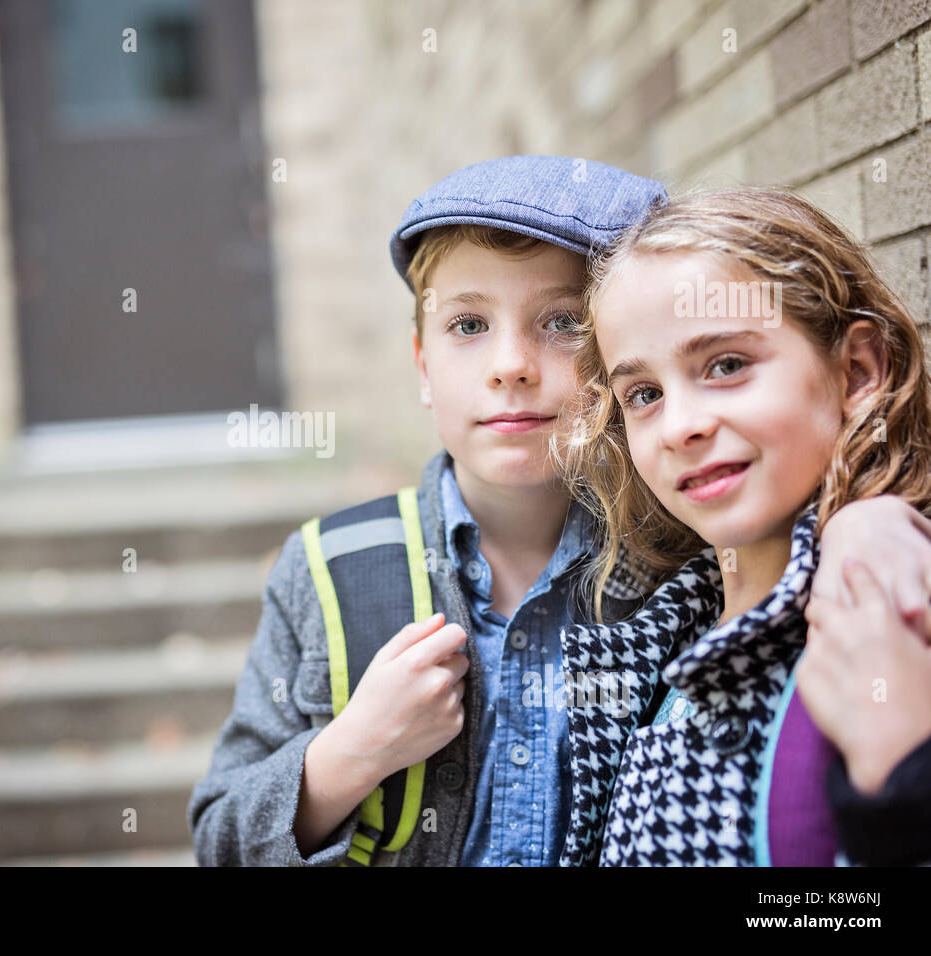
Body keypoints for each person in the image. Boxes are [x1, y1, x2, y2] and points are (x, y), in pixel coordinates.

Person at [187, 159, 931, 866]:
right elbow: (220, 836)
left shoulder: (682, 567)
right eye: (468, 325)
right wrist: (349, 755)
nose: (510, 365)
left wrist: (863, 519)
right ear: (421, 363)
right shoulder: (330, 570)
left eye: (563, 323)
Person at [552, 186, 931, 866]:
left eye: (726, 365)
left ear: (857, 371)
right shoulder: (646, 656)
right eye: (644, 395)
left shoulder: (901, 604)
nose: (680, 426)